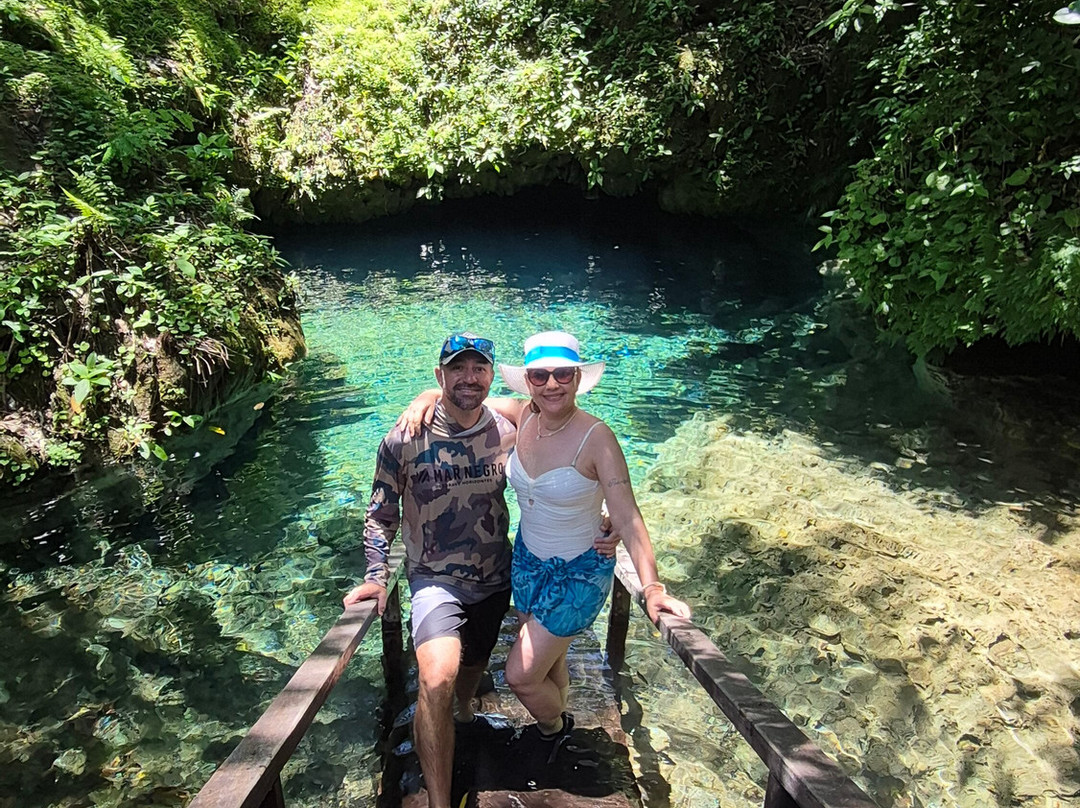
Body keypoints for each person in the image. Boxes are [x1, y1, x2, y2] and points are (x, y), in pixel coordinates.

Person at [343, 332, 618, 808]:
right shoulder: (404, 438)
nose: (468, 378)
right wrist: (374, 575)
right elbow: (380, 513)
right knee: (435, 679)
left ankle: (466, 715)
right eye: (456, 368)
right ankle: (439, 800)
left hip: (496, 577)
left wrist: (604, 516)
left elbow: (567, 453)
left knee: (470, 669)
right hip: (434, 578)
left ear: (492, 376)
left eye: (478, 369)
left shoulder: (512, 424)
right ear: (440, 374)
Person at [401, 330, 690, 748]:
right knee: (550, 663)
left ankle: (555, 726)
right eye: (540, 376)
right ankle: (553, 718)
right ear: (528, 382)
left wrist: (653, 588)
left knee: (520, 674)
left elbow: (627, 515)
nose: (552, 384)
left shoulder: (598, 438)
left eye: (562, 374)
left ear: (577, 378)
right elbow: (465, 396)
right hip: (527, 563)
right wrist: (425, 396)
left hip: (578, 572)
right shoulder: (524, 416)